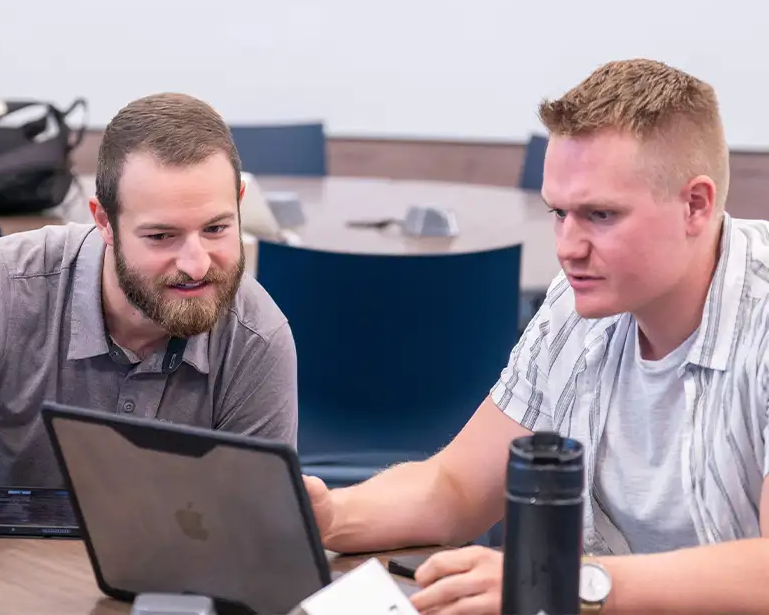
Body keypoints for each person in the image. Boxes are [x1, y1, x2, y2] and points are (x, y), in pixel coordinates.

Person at [304, 59, 769, 614]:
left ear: (695, 204)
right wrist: (330, 515)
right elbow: (454, 488)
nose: (568, 247)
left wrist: (564, 582)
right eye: (558, 213)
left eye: (600, 214)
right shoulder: (578, 304)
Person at [0, 92, 297, 488]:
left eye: (216, 229)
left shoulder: (256, 339)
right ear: (104, 221)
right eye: (161, 236)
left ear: (239, 205)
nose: (196, 264)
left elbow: (255, 529)